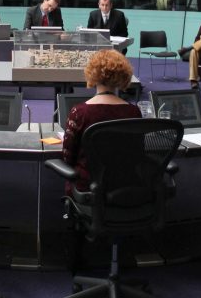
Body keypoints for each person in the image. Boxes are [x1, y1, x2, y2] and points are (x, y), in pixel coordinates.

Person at [60, 50, 141, 195]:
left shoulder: (79, 113)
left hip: (89, 189)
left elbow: (68, 158)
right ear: (124, 75)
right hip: (126, 188)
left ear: (92, 74)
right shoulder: (134, 112)